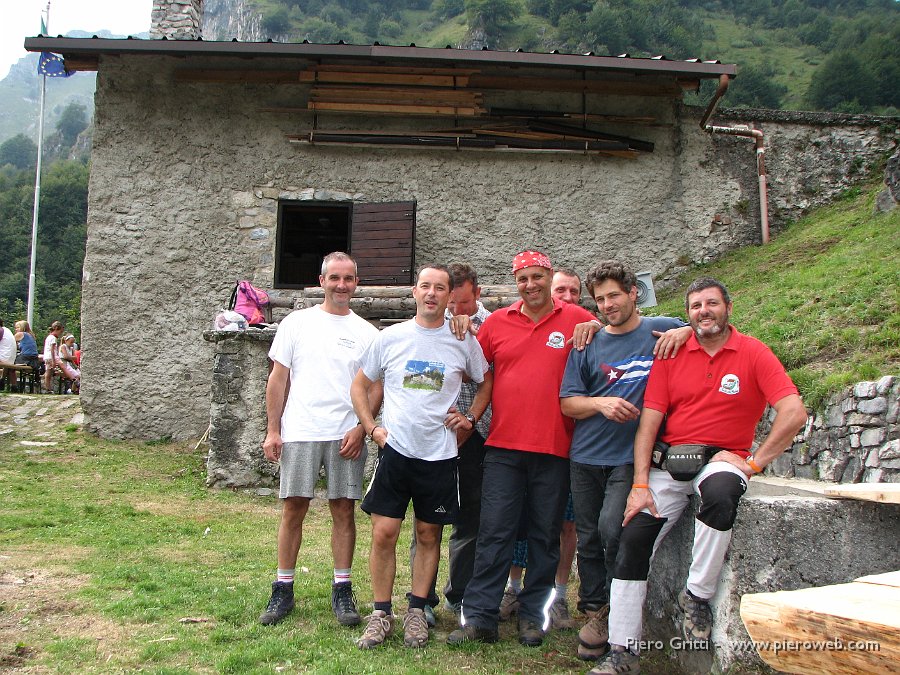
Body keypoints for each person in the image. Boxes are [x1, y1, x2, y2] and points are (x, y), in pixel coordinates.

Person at [590, 277, 807, 675]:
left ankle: (697, 595)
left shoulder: (754, 353)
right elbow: (648, 426)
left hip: (722, 459)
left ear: (728, 307)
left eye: (711, 304)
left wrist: (755, 462)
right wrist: (640, 485)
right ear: (687, 314)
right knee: (632, 538)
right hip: (670, 463)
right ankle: (623, 651)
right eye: (695, 306)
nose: (703, 312)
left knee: (722, 492)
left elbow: (793, 412)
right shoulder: (671, 355)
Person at [448, 250, 598, 649]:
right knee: (493, 533)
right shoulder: (498, 322)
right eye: (522, 279)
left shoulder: (578, 320)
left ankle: (534, 616)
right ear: (515, 283)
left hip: (554, 448)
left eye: (536, 276)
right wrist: (460, 323)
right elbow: (473, 369)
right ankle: (480, 617)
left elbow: (622, 329)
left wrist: (599, 324)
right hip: (503, 447)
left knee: (544, 536)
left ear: (549, 276)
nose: (530, 285)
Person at [351, 264, 491, 650]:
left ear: (449, 298)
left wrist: (470, 418)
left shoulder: (462, 340)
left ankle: (416, 610)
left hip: (441, 455)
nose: (431, 294)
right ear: (414, 292)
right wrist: (371, 428)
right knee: (385, 533)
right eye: (425, 286)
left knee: (428, 534)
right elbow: (360, 385)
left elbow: (486, 380)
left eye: (440, 288)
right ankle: (381, 613)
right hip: (396, 452)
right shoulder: (391, 337)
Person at [559, 261, 690, 660]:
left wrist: (685, 330)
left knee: (612, 528)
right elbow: (568, 403)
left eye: (614, 295)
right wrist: (600, 403)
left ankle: (616, 609)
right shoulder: (588, 342)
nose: (607, 305)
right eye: (599, 300)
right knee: (589, 535)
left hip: (631, 457)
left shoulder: (661, 328)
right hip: (585, 455)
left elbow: (709, 330)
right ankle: (595, 608)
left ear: (634, 292)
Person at [259, 252, 382, 629]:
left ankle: (342, 588)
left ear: (356, 284)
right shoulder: (297, 323)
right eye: (335, 278)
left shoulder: (367, 333)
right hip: (302, 429)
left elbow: (375, 387)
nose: (341, 285)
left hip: (345, 433)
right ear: (322, 280)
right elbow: (278, 379)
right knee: (293, 507)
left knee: (343, 509)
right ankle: (283, 587)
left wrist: (362, 428)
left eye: (348, 279)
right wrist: (273, 429)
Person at [499, 266, 585, 630]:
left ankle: (557, 596)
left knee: (562, 526)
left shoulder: (584, 324)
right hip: (516, 443)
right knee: (517, 522)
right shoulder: (508, 319)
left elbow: (635, 326)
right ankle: (513, 589)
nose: (566, 297)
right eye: (562, 290)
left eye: (573, 292)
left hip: (567, 444)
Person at [42, 321, 64, 393]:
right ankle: (47, 388)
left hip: (47, 356)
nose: (60, 334)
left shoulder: (49, 337)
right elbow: (52, 349)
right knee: (48, 372)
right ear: (57, 329)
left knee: (49, 372)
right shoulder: (53, 338)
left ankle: (47, 386)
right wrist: (54, 360)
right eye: (60, 332)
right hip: (50, 357)